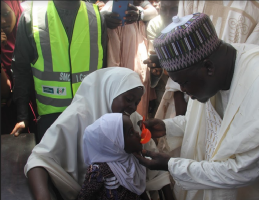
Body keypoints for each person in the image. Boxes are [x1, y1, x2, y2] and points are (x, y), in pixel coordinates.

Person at [134, 13, 259, 200]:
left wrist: (172, 165)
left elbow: (242, 170)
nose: (184, 90)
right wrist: (167, 127)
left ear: (209, 68)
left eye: (185, 82)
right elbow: (211, 125)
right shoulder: (221, 65)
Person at [24, 68, 170, 200]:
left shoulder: (132, 118)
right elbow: (39, 159)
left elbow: (154, 167)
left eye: (136, 102)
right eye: (129, 99)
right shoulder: (77, 118)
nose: (132, 107)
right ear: (111, 91)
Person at [10, 0, 107, 142]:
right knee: (54, 163)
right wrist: (23, 116)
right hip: (51, 118)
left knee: (89, 162)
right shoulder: (32, 16)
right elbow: (21, 69)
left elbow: (104, 67)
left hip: (90, 114)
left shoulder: (96, 16)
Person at [101, 0, 158, 118]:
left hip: (141, 84)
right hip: (125, 89)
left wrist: (140, 14)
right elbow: (113, 62)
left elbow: (154, 12)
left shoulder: (139, 11)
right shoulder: (114, 13)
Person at [77, 113, 149, 200]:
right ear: (115, 144)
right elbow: (84, 196)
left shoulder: (132, 159)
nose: (137, 133)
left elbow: (140, 189)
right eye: (131, 133)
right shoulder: (100, 170)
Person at [1, 0, 37, 135]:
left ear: (15, 9)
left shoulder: (33, 30)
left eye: (5, 14)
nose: (2, 21)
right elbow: (5, 90)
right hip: (10, 117)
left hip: (37, 107)